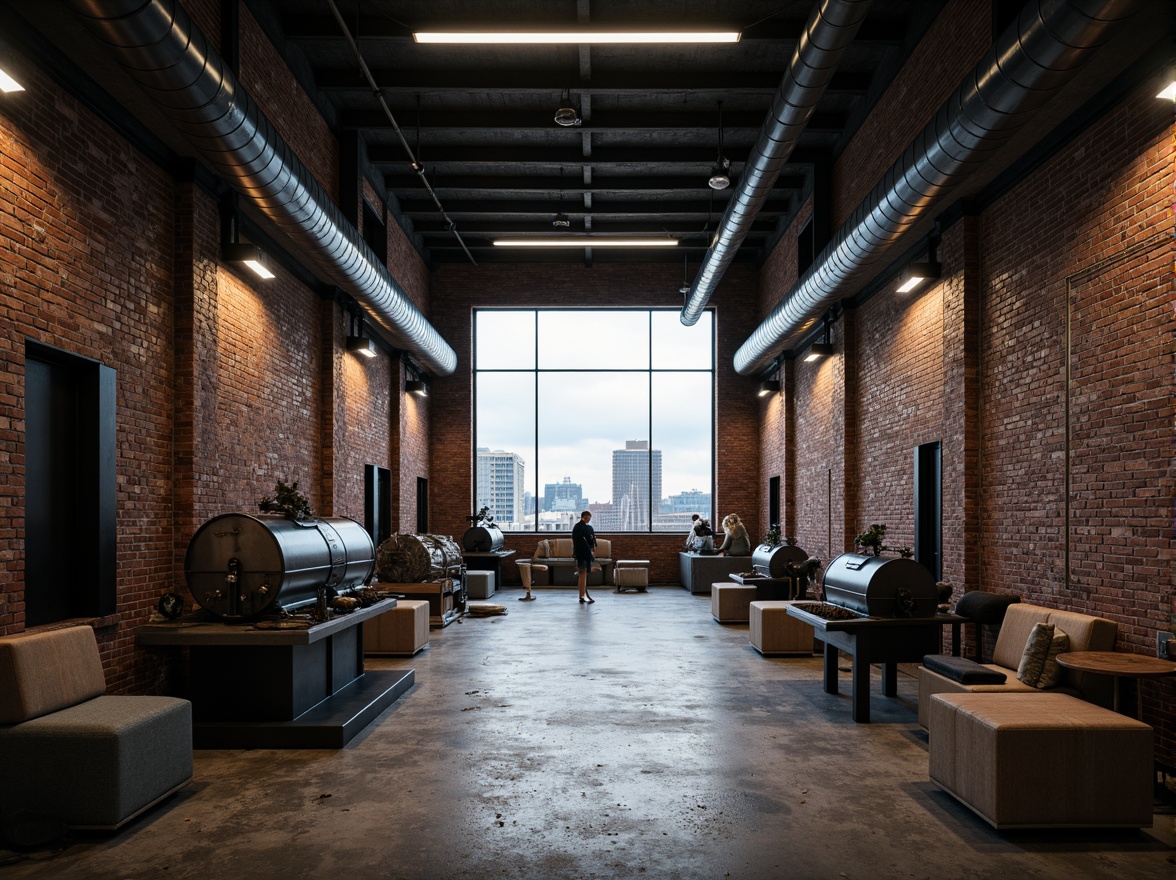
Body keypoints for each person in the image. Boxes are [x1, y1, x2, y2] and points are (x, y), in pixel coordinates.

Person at [571, 509, 597, 604]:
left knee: (583, 575)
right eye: (588, 518)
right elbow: (586, 541)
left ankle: (582, 596)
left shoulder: (579, 527)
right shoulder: (582, 528)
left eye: (589, 518)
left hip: (581, 553)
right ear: (584, 517)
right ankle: (582, 596)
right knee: (582, 575)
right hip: (583, 554)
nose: (589, 519)